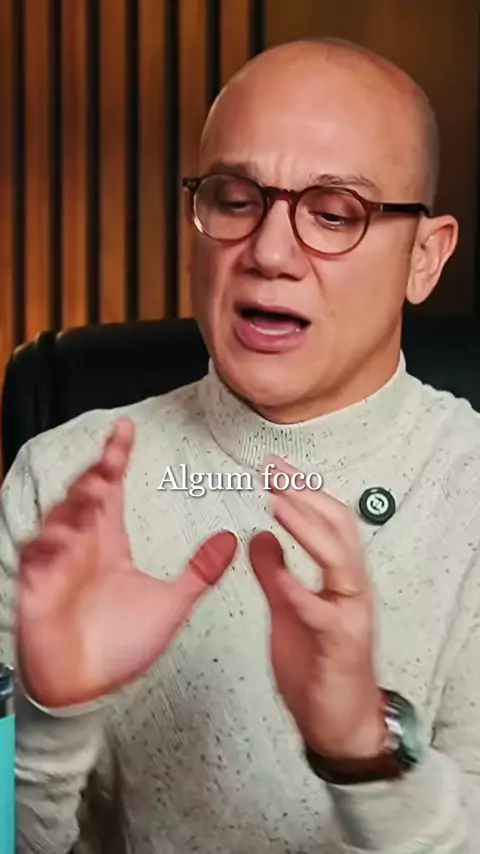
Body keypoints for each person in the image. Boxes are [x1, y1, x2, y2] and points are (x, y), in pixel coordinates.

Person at [1, 36, 479, 854]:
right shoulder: (64, 481)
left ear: (424, 258)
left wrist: (364, 753)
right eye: (233, 199)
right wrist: (48, 719)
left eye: (334, 214)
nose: (268, 252)